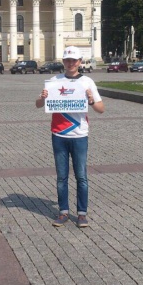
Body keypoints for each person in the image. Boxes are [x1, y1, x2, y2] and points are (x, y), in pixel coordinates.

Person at [36, 46, 105, 228]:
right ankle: (63, 212)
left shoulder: (87, 82)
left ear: (80, 62)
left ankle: (81, 214)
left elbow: (101, 109)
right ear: (63, 62)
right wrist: (43, 98)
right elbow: (38, 104)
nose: (71, 63)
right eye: (67, 60)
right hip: (59, 134)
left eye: (74, 60)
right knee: (61, 177)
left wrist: (91, 100)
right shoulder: (54, 81)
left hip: (79, 135)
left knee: (81, 176)